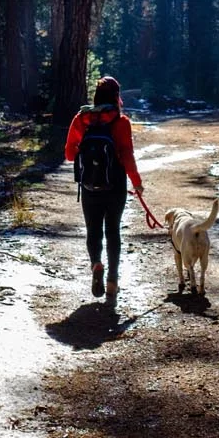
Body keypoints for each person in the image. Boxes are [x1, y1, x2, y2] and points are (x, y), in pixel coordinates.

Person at [64, 75, 143, 308]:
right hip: (115, 184)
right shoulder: (121, 121)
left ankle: (96, 263)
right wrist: (136, 182)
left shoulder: (82, 118)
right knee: (113, 232)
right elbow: (127, 155)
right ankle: (112, 282)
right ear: (116, 96)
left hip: (89, 185)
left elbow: (69, 154)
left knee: (93, 231)